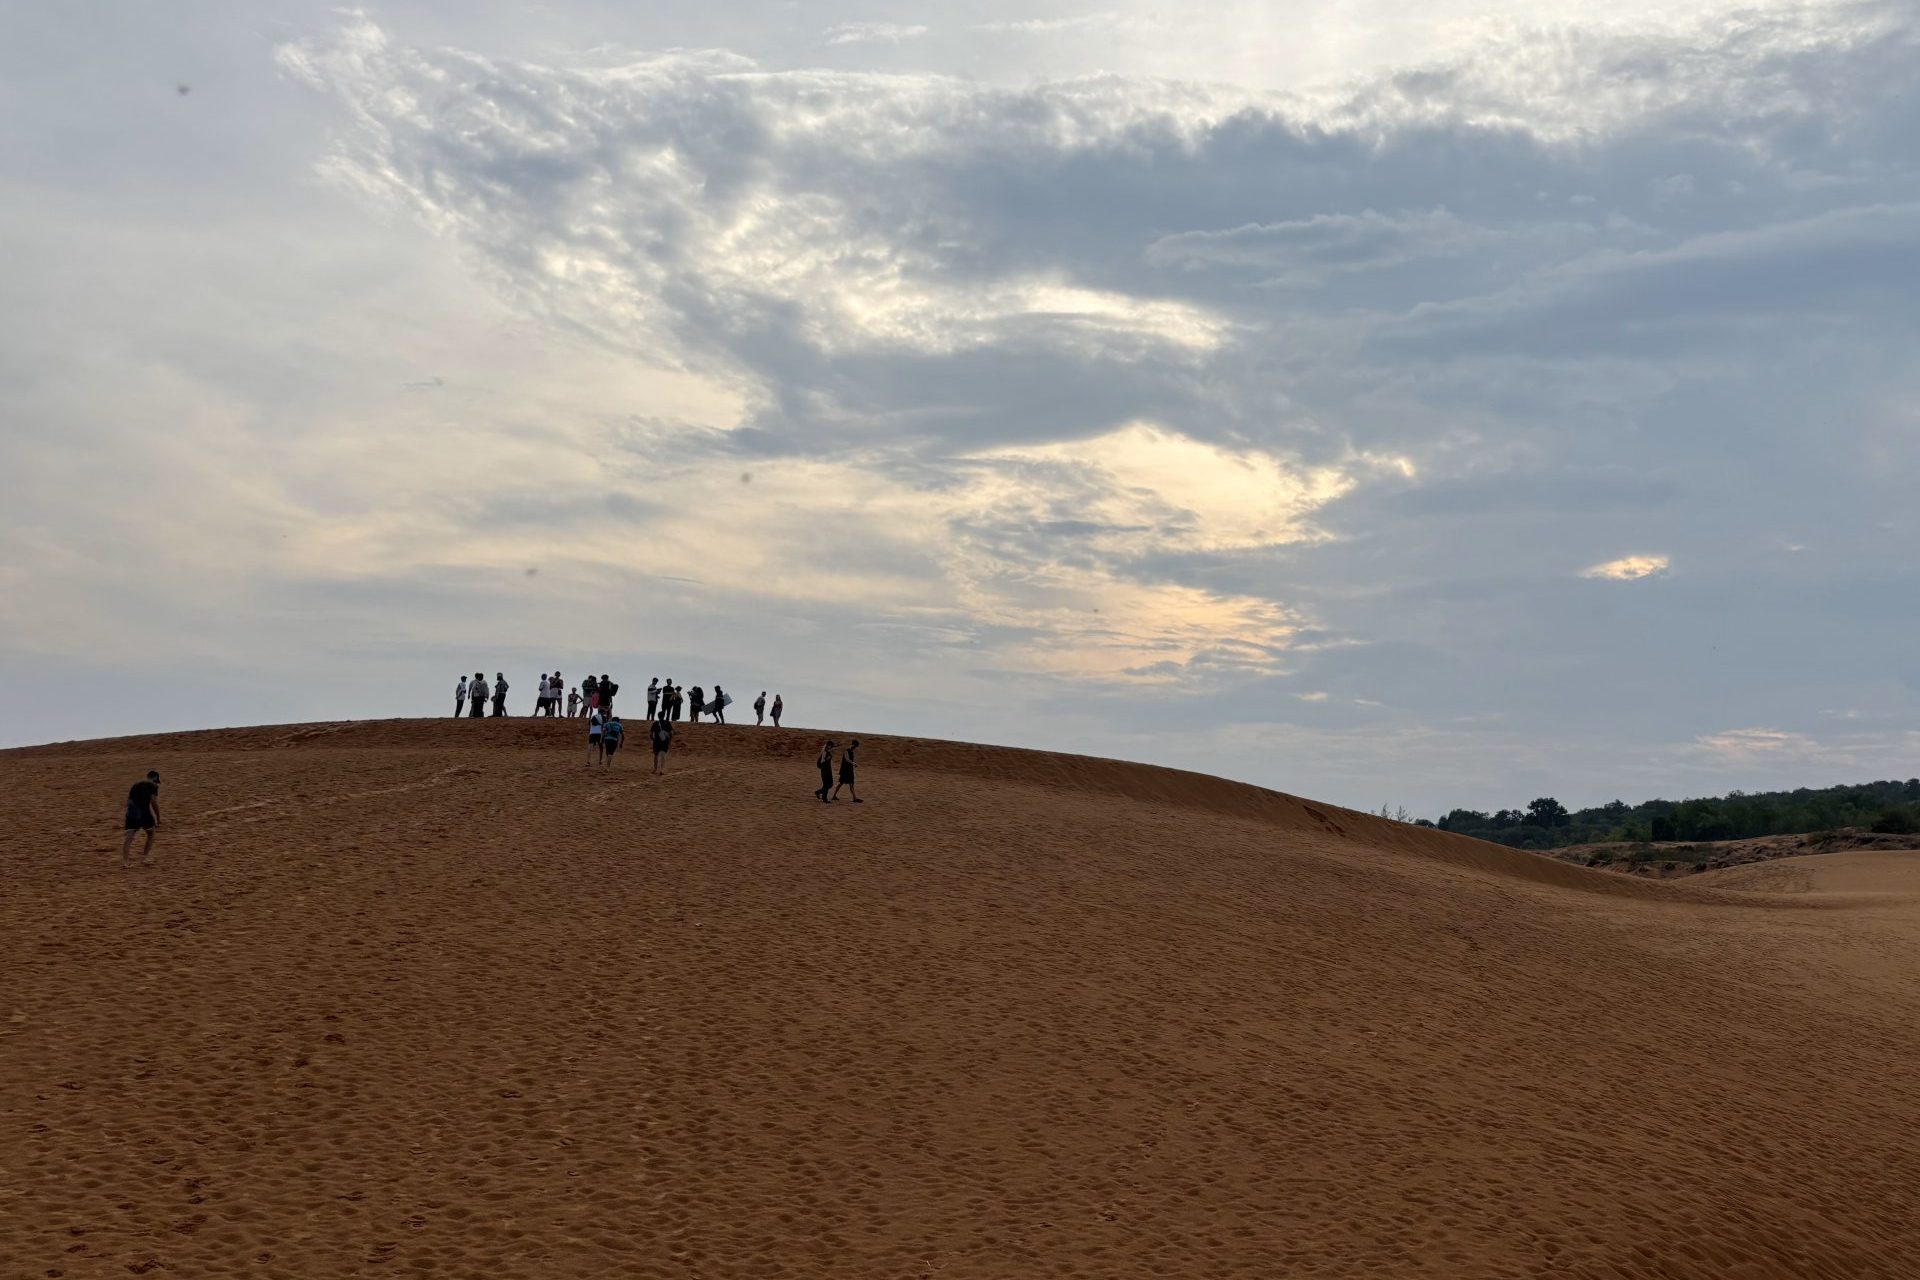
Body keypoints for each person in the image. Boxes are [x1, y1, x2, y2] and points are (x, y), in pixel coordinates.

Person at [122, 770, 161, 867]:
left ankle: (125, 861)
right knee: (151, 833)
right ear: (155, 777)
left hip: (132, 812)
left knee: (129, 837)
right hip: (144, 812)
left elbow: (128, 802)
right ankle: (145, 857)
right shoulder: (153, 786)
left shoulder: (135, 785)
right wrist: (158, 817)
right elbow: (153, 802)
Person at [832, 738, 862, 803]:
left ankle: (854, 798)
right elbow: (847, 759)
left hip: (850, 770)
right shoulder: (846, 751)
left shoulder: (852, 751)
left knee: (851, 783)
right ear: (853, 744)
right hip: (845, 770)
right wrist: (854, 763)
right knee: (841, 783)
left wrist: (853, 764)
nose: (855, 748)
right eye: (855, 746)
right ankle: (834, 796)